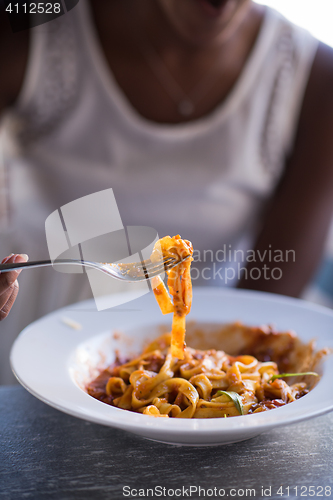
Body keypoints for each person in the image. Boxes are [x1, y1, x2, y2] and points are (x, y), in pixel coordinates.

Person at [1, 0, 333, 384]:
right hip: (32, 350)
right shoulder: (29, 26)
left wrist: (202, 387)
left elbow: (270, 297)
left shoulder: (315, 78)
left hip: (221, 355)